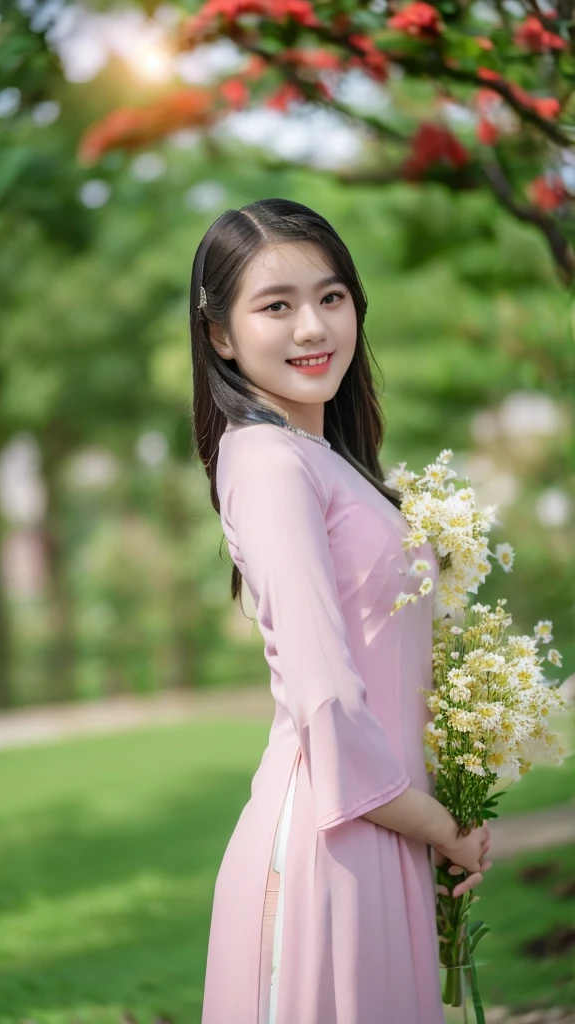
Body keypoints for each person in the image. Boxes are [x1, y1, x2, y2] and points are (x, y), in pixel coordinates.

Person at [190, 198, 492, 1024]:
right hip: (331, 839)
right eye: (275, 306)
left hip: (378, 823)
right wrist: (441, 825)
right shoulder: (267, 463)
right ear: (220, 334)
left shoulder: (324, 459)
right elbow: (324, 695)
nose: (312, 328)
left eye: (331, 297)